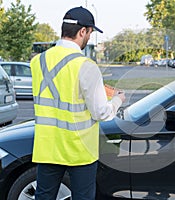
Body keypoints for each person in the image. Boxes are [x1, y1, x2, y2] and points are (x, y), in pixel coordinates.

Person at [30, 6, 125, 200]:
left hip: (47, 147)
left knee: (43, 197)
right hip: (79, 151)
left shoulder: (37, 62)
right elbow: (101, 113)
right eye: (90, 33)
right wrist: (117, 100)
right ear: (82, 31)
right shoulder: (86, 66)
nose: (89, 37)